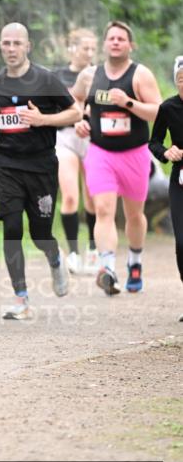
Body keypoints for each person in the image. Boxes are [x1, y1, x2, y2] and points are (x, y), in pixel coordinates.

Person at [0, 22, 81, 320]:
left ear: (27, 47)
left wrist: (43, 119)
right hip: (6, 165)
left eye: (16, 44)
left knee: (40, 234)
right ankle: (21, 299)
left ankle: (54, 257)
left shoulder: (46, 80)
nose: (11, 49)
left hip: (41, 167)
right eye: (6, 43)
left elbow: (76, 112)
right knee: (11, 227)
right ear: (0, 47)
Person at [72, 21, 161, 296]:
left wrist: (128, 103)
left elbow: (158, 112)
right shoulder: (90, 76)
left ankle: (134, 262)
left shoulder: (140, 75)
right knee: (103, 210)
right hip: (100, 152)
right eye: (111, 38)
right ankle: (107, 268)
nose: (116, 42)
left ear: (130, 45)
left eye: (121, 39)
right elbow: (74, 100)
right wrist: (80, 120)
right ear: (104, 44)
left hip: (134, 153)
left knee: (134, 215)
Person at [53, 29, 98, 275]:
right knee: (70, 196)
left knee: (92, 197)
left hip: (92, 137)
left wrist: (87, 120)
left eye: (93, 49)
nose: (89, 54)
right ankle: (72, 253)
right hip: (66, 138)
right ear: (72, 48)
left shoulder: (99, 74)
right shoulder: (57, 76)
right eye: (85, 48)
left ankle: (93, 249)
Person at [149, 56, 183, 315]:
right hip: (180, 178)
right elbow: (154, 142)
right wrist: (166, 152)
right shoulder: (168, 107)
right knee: (181, 241)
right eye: (180, 78)